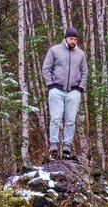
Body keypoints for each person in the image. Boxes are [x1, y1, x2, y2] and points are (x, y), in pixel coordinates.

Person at [42, 27, 87, 161]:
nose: (73, 41)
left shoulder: (80, 54)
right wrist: (50, 85)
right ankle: (54, 148)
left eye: (75, 39)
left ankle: (67, 148)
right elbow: (46, 68)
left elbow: (84, 72)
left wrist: (80, 88)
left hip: (74, 91)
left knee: (70, 121)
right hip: (56, 89)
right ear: (66, 38)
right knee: (55, 119)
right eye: (71, 38)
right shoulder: (54, 50)